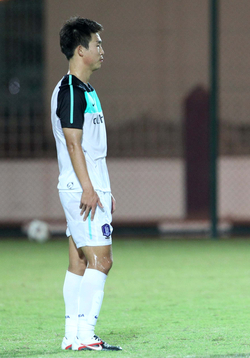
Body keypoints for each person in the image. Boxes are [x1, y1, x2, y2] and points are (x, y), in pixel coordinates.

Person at [51, 17, 121, 351]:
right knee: (102, 260)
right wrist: (91, 190)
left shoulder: (84, 89)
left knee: (79, 260)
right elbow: (73, 144)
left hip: (88, 186)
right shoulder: (71, 91)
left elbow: (90, 149)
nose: (102, 50)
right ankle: (86, 334)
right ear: (81, 50)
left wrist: (104, 188)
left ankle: (72, 336)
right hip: (82, 189)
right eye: (97, 44)